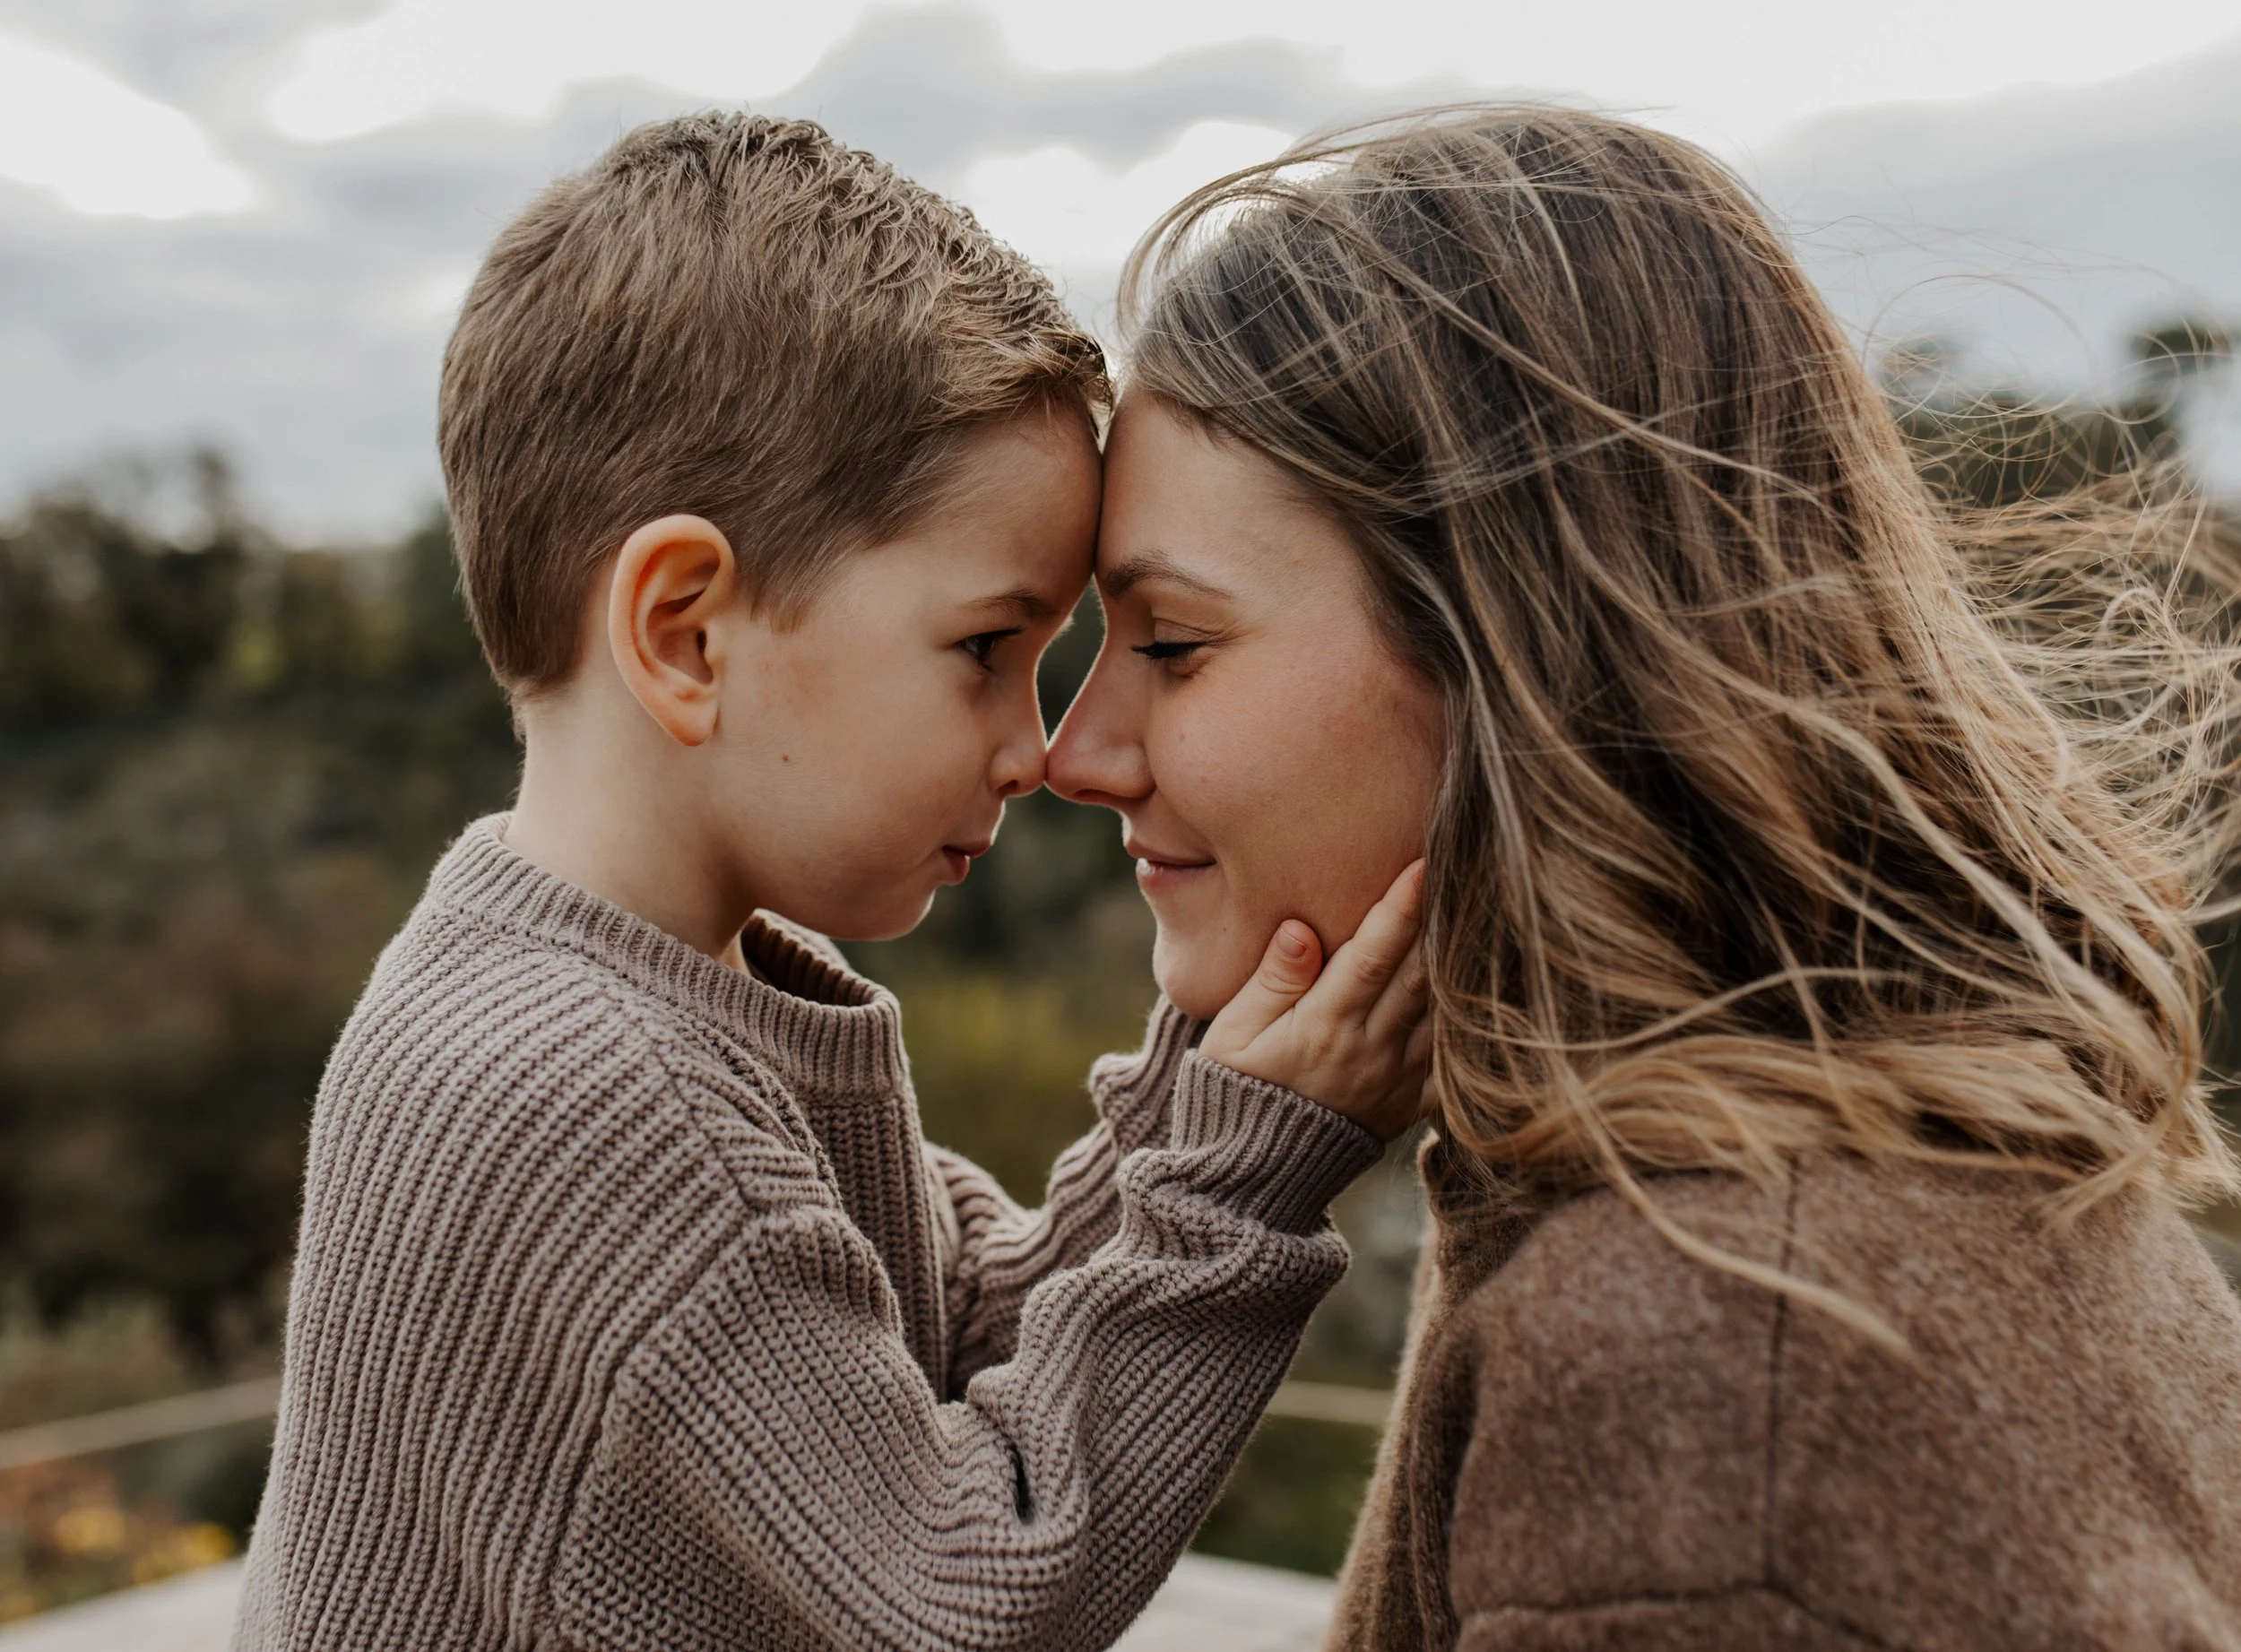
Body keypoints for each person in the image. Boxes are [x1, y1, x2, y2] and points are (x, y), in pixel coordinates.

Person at [233, 112, 1432, 1652]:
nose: (1038, 747)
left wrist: (1223, 1056)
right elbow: (971, 1590)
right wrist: (1240, 1182)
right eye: (987, 649)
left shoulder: (624, 993)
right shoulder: (585, 1087)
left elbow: (963, 1335)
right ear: (684, 633)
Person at [1051, 106, 2241, 1648]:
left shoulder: (1715, 1364)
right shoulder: (1853, 1211)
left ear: (1513, 651)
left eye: (1170, 643)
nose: (1075, 752)